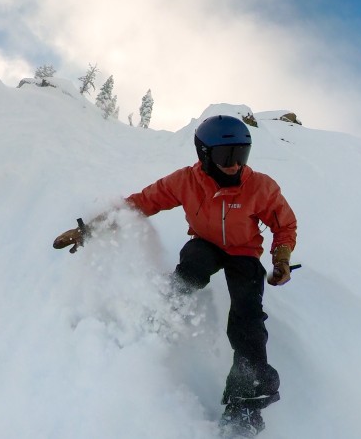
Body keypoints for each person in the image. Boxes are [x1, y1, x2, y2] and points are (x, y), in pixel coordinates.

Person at [53, 115, 297, 437]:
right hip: (206, 244)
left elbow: (284, 225)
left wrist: (281, 258)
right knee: (192, 265)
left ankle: (246, 402)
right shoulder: (185, 181)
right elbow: (141, 203)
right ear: (205, 154)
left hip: (244, 253)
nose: (235, 165)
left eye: (241, 155)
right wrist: (91, 229)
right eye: (227, 156)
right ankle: (164, 311)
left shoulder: (260, 187)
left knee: (247, 315)